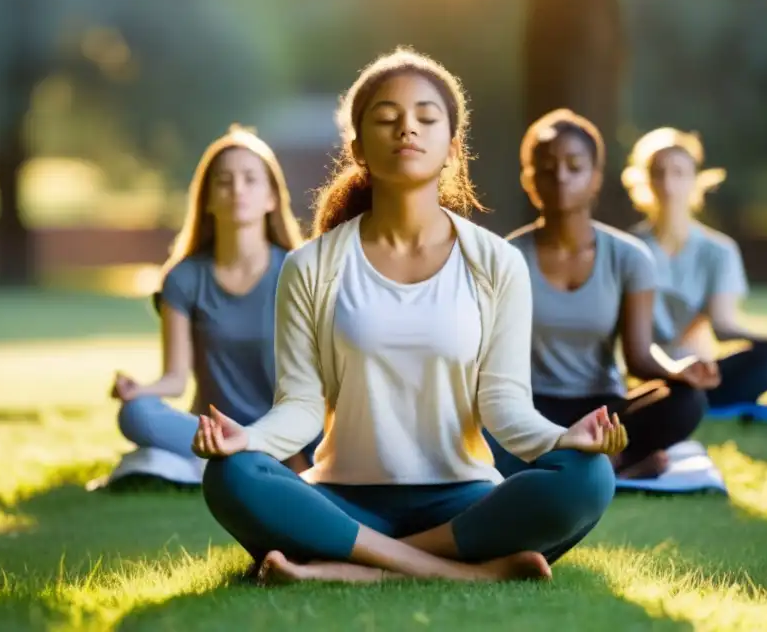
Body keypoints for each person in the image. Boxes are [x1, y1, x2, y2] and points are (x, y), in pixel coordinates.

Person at [191, 48, 627, 585]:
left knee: (588, 477)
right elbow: (301, 408)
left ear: (452, 146)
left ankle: (349, 567)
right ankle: (457, 572)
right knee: (232, 476)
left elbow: (505, 406)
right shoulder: (312, 266)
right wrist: (249, 441)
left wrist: (565, 439)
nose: (407, 130)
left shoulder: (497, 263)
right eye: (386, 119)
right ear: (358, 148)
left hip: (460, 503)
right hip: (344, 501)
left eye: (425, 117)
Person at [492, 110, 718, 480]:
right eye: (547, 169)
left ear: (595, 178)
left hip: (602, 410)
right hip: (528, 408)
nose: (561, 176)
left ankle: (598, 463)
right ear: (529, 181)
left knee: (686, 402)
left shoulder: (629, 257)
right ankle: (613, 468)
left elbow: (639, 358)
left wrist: (678, 370)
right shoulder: (506, 256)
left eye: (574, 166)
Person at [112, 125, 312, 474]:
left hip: (285, 430)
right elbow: (174, 379)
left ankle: (243, 457)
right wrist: (140, 390)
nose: (237, 189)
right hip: (212, 429)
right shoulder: (183, 278)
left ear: (271, 198)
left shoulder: (298, 270)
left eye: (250, 179)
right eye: (224, 181)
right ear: (207, 198)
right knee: (136, 414)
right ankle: (247, 458)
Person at [621, 127, 767, 417]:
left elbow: (723, 326)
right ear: (644, 180)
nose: (668, 183)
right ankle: (709, 407)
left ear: (695, 180)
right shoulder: (626, 249)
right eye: (658, 172)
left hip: (702, 372)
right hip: (648, 373)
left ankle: (695, 404)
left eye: (678, 173)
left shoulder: (719, 250)